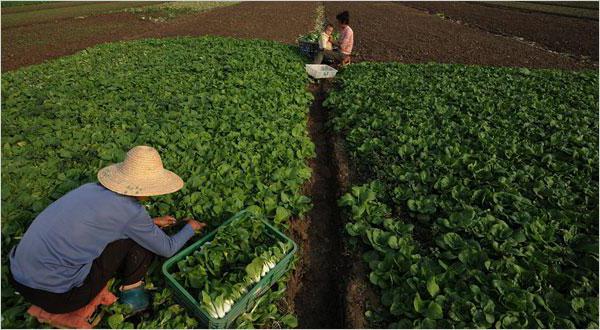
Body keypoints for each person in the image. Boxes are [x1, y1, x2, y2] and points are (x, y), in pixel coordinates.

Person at [8, 145, 206, 315]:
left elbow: (105, 220)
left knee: (133, 234)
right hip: (58, 297)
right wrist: (190, 227)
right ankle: (132, 292)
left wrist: (150, 222)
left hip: (17, 275)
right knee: (140, 243)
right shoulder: (131, 212)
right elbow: (167, 248)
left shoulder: (89, 189)